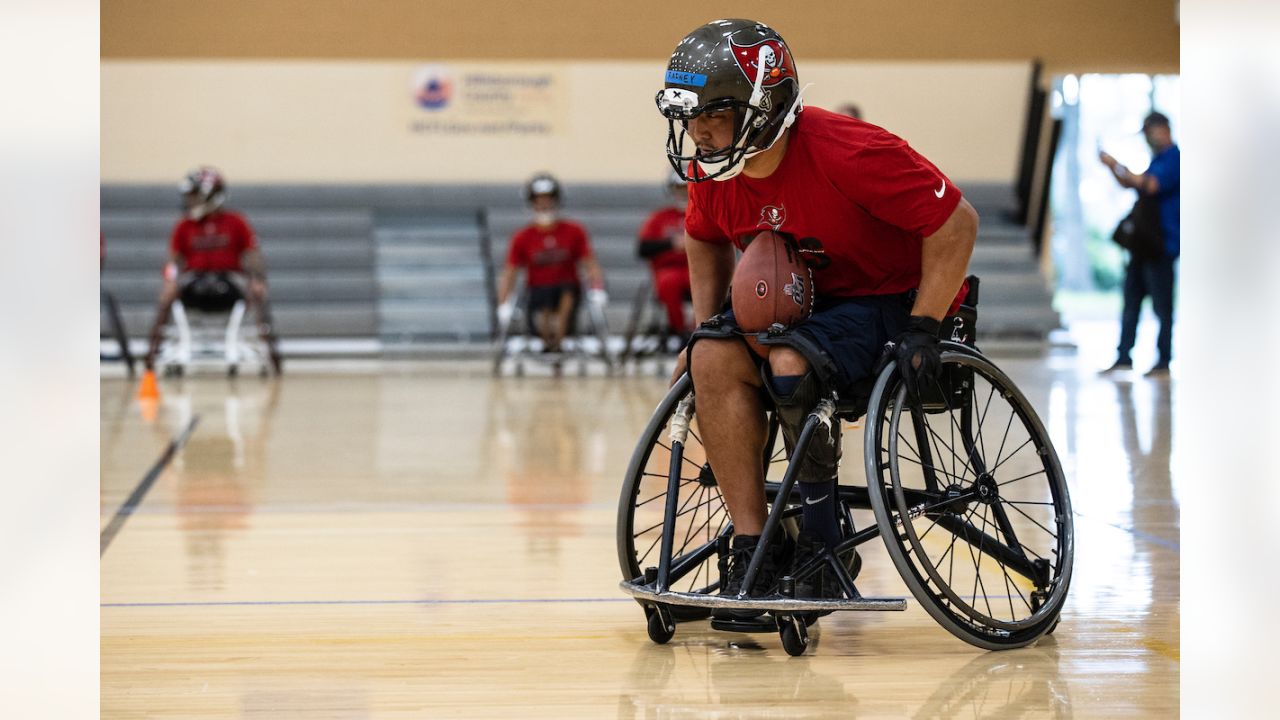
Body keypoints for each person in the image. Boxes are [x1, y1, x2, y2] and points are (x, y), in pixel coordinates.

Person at [655, 19, 978, 604]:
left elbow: (957, 222)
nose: (698, 132)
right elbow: (702, 235)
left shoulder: (851, 150)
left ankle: (825, 542)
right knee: (709, 358)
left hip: (889, 298)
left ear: (765, 104)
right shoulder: (716, 169)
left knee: (788, 357)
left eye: (713, 113)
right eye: (690, 116)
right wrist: (706, 325)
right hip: (801, 306)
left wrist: (925, 325)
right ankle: (756, 546)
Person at [143, 167, 282, 374]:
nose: (190, 201)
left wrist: (258, 278)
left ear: (211, 195)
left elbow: (253, 254)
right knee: (167, 295)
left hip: (230, 282)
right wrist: (169, 281)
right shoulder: (184, 226)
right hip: (193, 282)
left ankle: (271, 353)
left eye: (194, 195)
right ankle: (152, 355)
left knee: (257, 291)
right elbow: (172, 262)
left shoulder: (236, 222)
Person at [1099, 111, 1180, 377]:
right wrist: (1112, 167)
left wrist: (1120, 165)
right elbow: (1130, 184)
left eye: (1150, 131)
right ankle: (1124, 356)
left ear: (1163, 129)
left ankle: (1163, 360)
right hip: (1143, 246)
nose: (1147, 137)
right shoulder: (1157, 161)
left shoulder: (1175, 158)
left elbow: (1150, 186)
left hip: (1162, 246)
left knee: (1162, 307)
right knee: (1131, 300)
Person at [495, 173, 605, 353]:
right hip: (537, 292)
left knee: (566, 295)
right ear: (531, 202)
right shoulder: (522, 237)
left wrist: (598, 288)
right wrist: (504, 303)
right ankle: (548, 341)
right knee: (545, 300)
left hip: (569, 290)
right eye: (539, 200)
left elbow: (590, 264)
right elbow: (510, 272)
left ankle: (558, 341)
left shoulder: (574, 231)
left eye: (548, 199)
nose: (544, 204)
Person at [636, 171, 693, 347]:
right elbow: (643, 248)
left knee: (710, 281)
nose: (682, 192)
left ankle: (701, 326)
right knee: (669, 282)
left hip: (697, 267)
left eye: (686, 188)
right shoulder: (659, 217)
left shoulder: (703, 212)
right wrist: (671, 244)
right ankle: (680, 330)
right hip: (669, 269)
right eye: (678, 188)